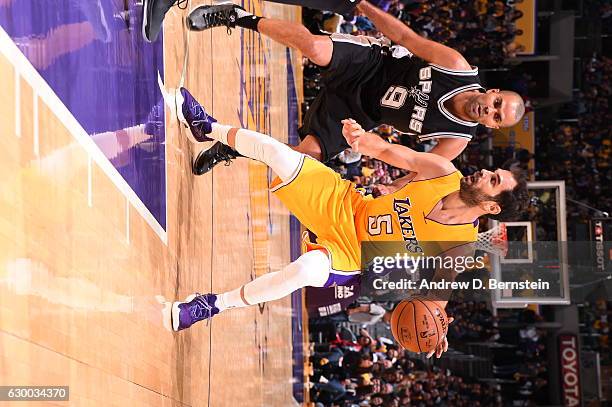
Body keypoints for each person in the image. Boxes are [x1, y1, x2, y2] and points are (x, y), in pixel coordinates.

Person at [168, 87, 529, 359]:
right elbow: (390, 152)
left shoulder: (460, 245)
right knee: (278, 153)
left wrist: (437, 322)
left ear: (492, 208)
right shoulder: (442, 171)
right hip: (345, 203)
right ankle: (207, 127)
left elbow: (440, 292)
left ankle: (211, 305)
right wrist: (362, 140)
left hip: (351, 253)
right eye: (492, 172)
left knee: (305, 271)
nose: (484, 173)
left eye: (493, 181)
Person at [176, 1, 525, 174]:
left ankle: (232, 149)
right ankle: (238, 17)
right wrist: (361, 4)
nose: (490, 110)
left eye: (497, 117)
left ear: (491, 127)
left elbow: (416, 166)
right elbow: (404, 36)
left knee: (308, 153)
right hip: (371, 65)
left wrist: (394, 188)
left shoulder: (456, 140)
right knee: (315, 48)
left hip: (359, 114)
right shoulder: (456, 67)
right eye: (497, 103)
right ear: (492, 91)